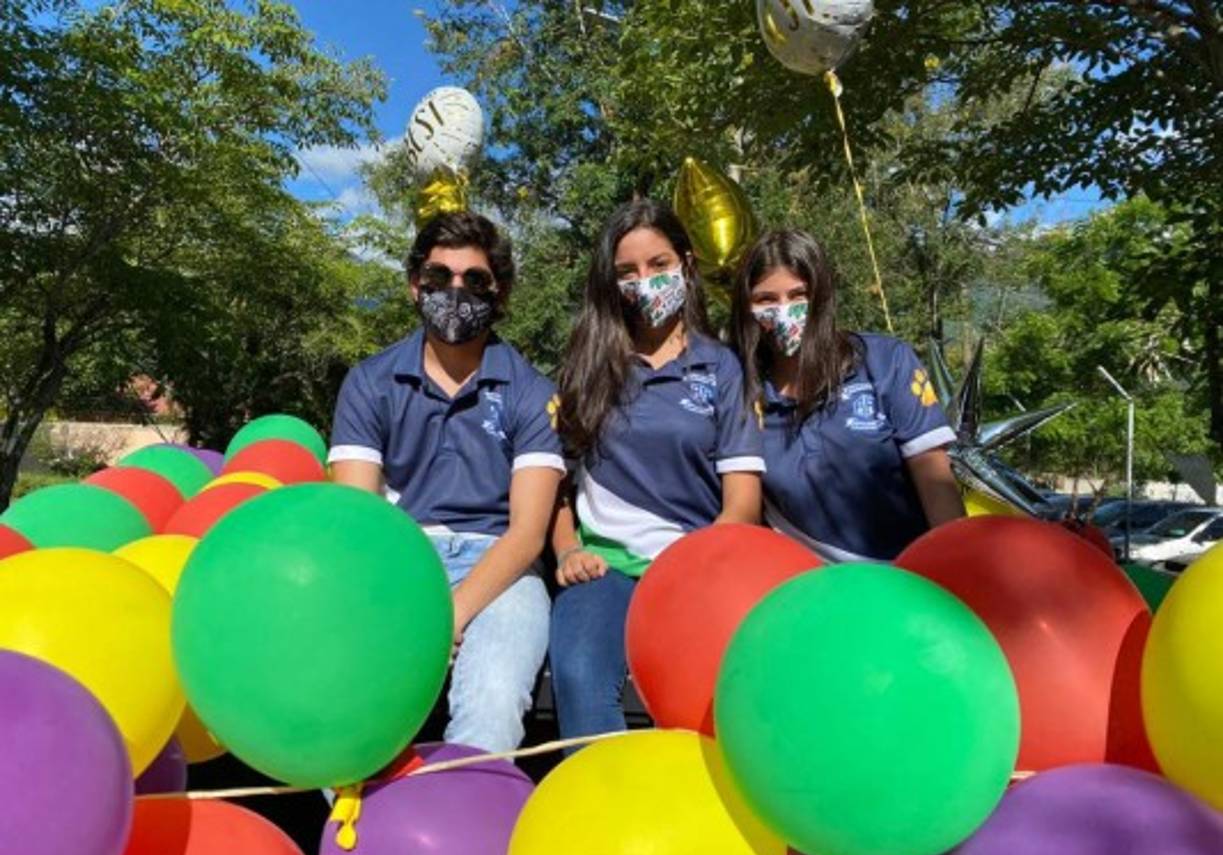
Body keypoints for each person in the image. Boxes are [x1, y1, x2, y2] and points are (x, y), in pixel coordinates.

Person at [328, 211, 565, 754]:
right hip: (402, 561)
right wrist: (418, 607)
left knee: (493, 702)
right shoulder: (370, 383)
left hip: (502, 568)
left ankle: (466, 828)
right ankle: (361, 835)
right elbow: (360, 523)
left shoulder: (532, 392)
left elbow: (527, 534)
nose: (455, 292)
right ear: (415, 286)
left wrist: (453, 615)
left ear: (498, 292)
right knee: (348, 704)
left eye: (474, 280)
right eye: (439, 278)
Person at [549, 199, 765, 744]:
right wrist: (568, 550)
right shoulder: (586, 366)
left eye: (659, 265)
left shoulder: (723, 368)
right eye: (628, 271)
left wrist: (696, 570)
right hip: (605, 573)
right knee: (576, 676)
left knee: (715, 697)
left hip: (695, 571)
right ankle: (602, 816)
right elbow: (556, 487)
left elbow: (742, 503)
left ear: (687, 266)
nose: (645, 281)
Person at [730, 229, 964, 562]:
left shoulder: (886, 362)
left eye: (799, 295)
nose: (784, 311)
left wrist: (958, 573)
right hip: (809, 594)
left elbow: (938, 488)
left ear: (822, 297)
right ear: (747, 306)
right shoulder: (739, 387)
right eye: (767, 299)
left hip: (905, 585)